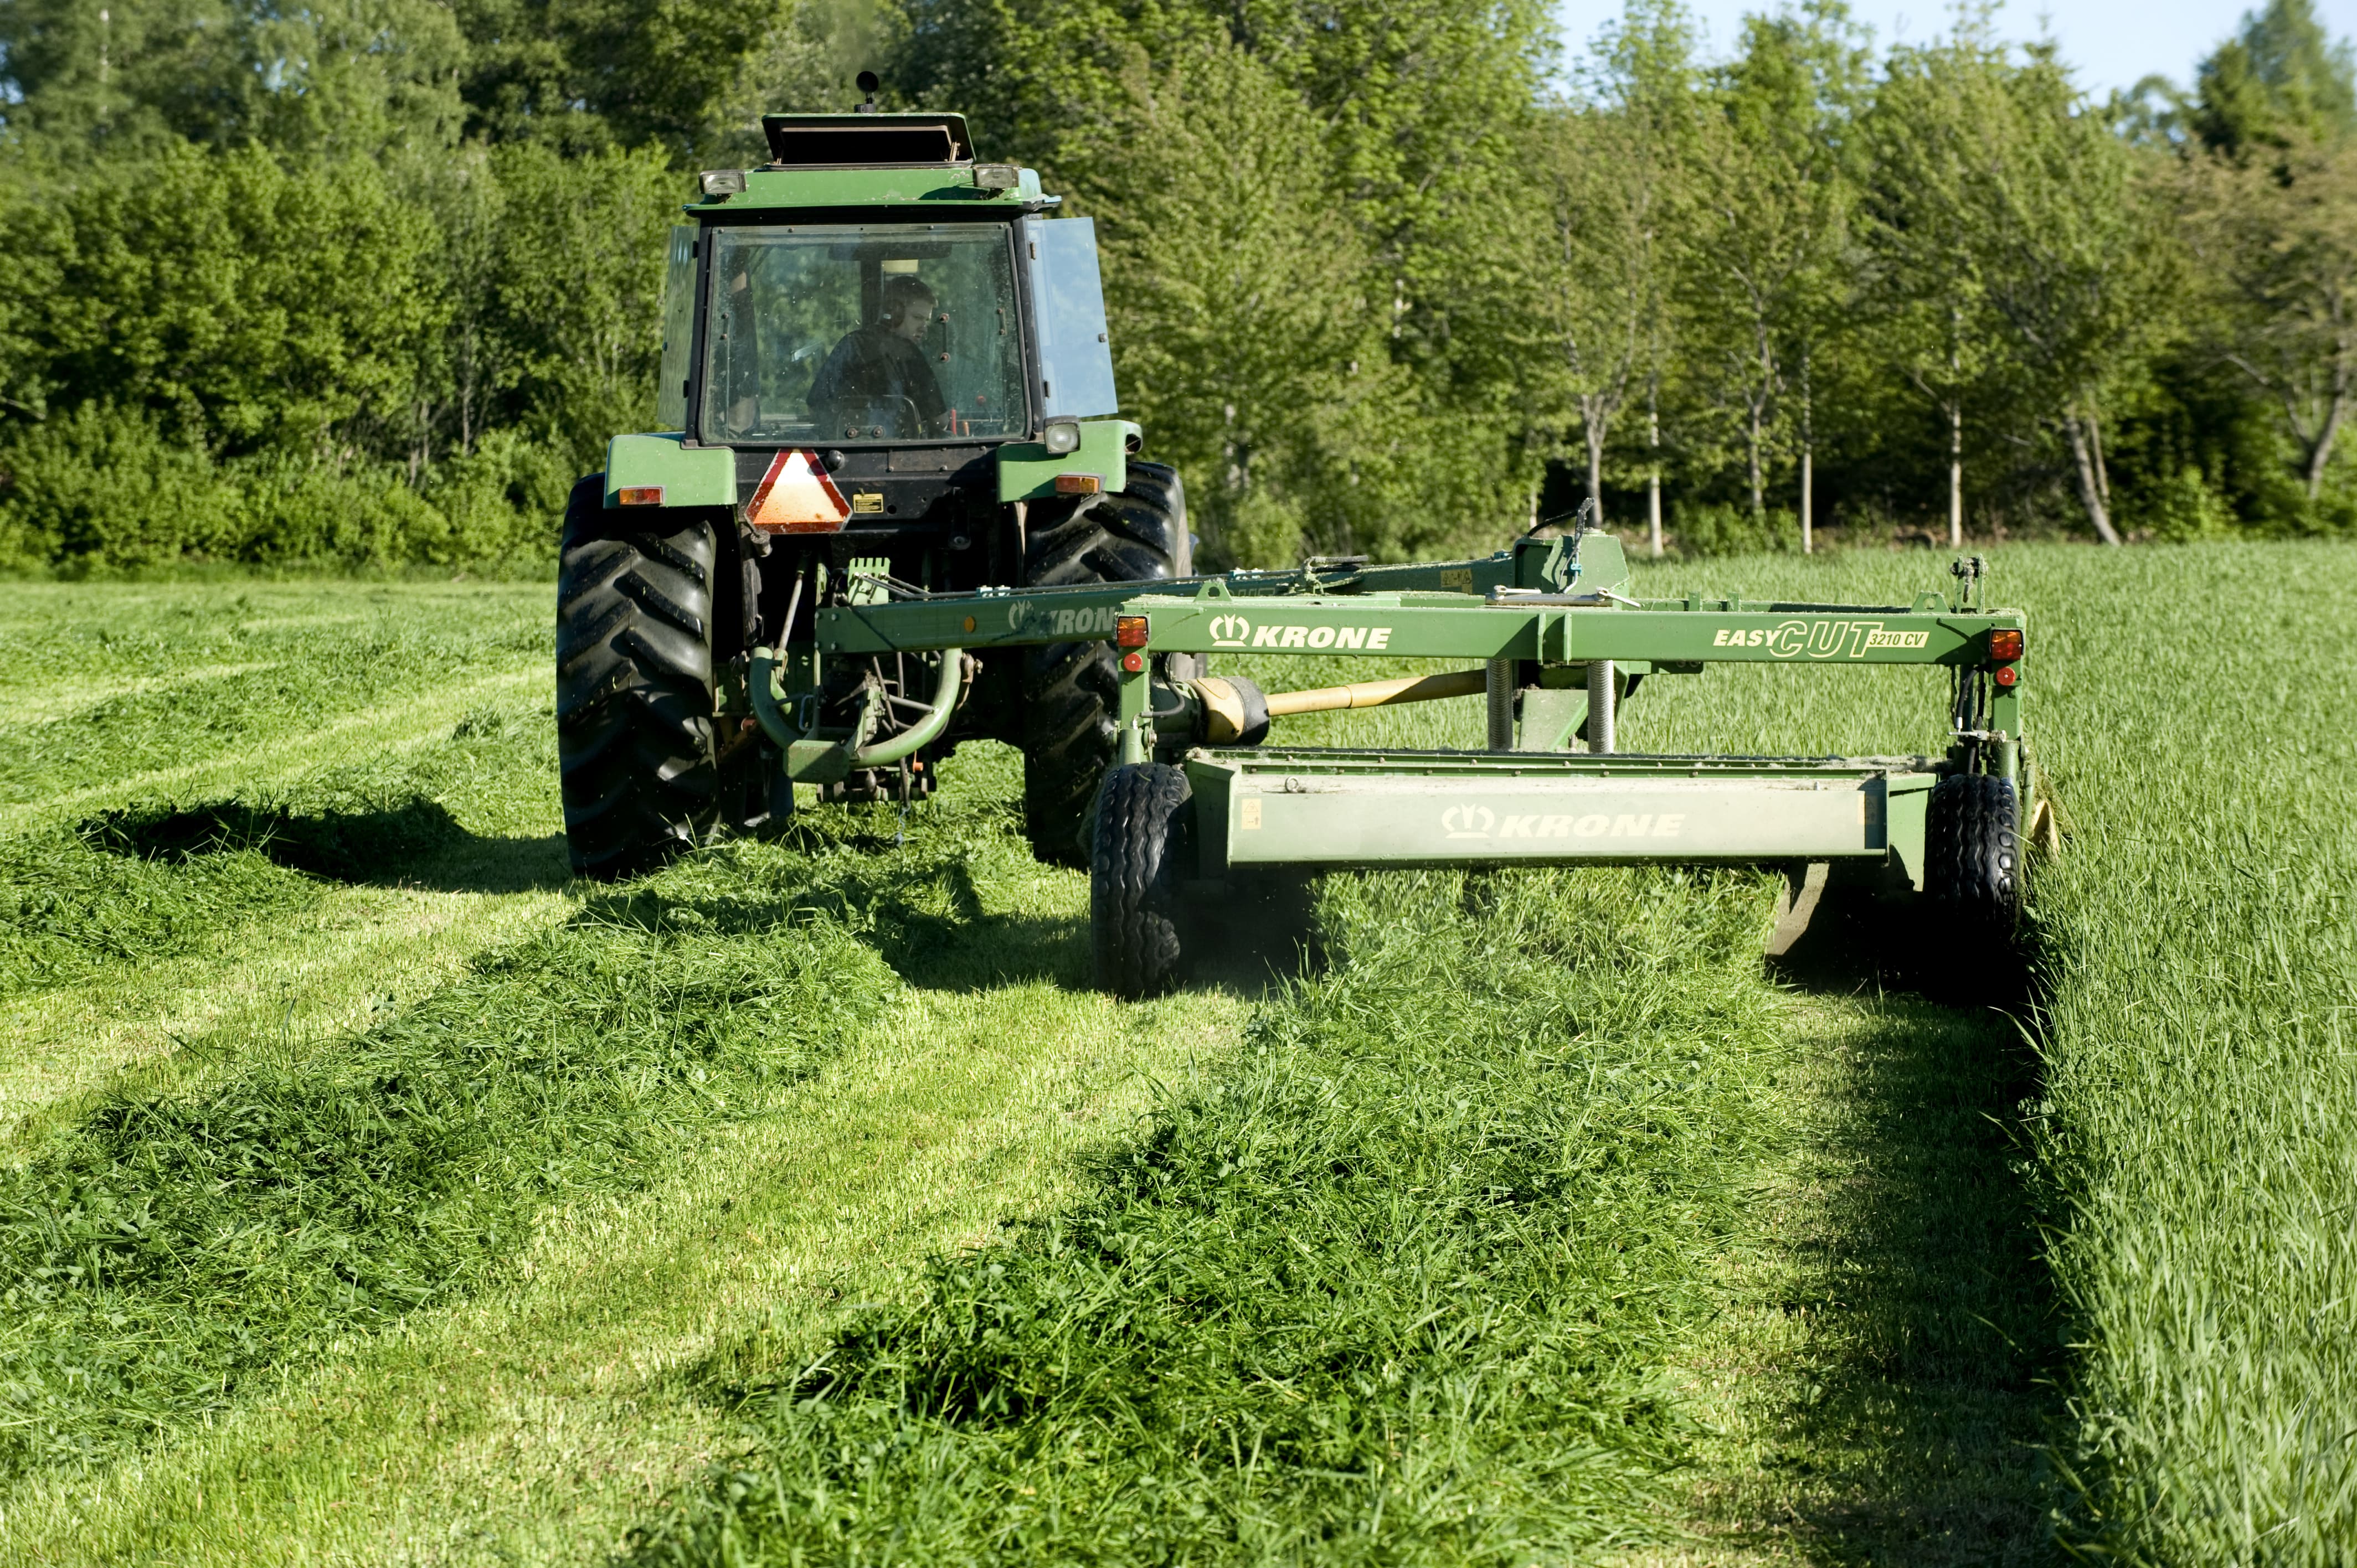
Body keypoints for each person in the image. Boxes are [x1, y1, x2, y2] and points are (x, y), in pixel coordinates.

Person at [808, 274, 948, 438]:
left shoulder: (850, 344)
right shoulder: (909, 354)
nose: (924, 328)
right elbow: (940, 421)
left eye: (927, 321)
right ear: (894, 311)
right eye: (917, 318)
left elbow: (815, 407)